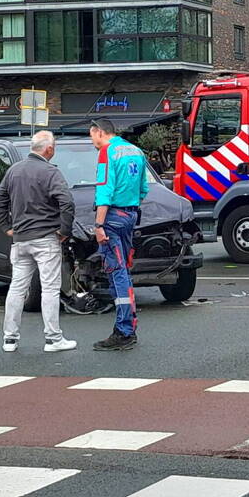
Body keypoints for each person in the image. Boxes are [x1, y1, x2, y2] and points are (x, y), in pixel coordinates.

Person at [0, 130, 77, 354]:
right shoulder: (51, 172)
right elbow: (67, 202)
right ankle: (53, 339)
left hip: (20, 240)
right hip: (46, 238)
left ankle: (9, 338)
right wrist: (64, 230)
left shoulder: (14, 170)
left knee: (17, 288)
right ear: (48, 149)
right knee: (50, 289)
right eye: (54, 146)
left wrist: (7, 227)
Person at [89, 118, 149, 351]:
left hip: (112, 219)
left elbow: (104, 190)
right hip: (130, 215)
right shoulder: (136, 151)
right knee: (123, 269)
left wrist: (98, 225)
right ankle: (125, 327)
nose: (91, 140)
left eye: (91, 135)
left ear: (100, 132)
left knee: (117, 272)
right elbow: (143, 188)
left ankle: (125, 330)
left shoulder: (107, 153)